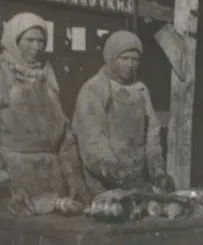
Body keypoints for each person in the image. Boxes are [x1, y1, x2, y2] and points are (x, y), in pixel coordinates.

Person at [0, 12, 89, 214]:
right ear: (14, 41)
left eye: (41, 41)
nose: (36, 47)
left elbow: (64, 136)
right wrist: (4, 183)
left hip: (50, 184)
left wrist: (74, 178)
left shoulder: (47, 80)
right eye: (29, 40)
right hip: (8, 191)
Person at [71, 31, 174, 199]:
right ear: (111, 58)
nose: (130, 65)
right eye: (124, 59)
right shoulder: (94, 89)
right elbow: (92, 138)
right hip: (103, 183)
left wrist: (157, 170)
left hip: (135, 179)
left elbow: (152, 132)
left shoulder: (140, 89)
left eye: (135, 60)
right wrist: (114, 170)